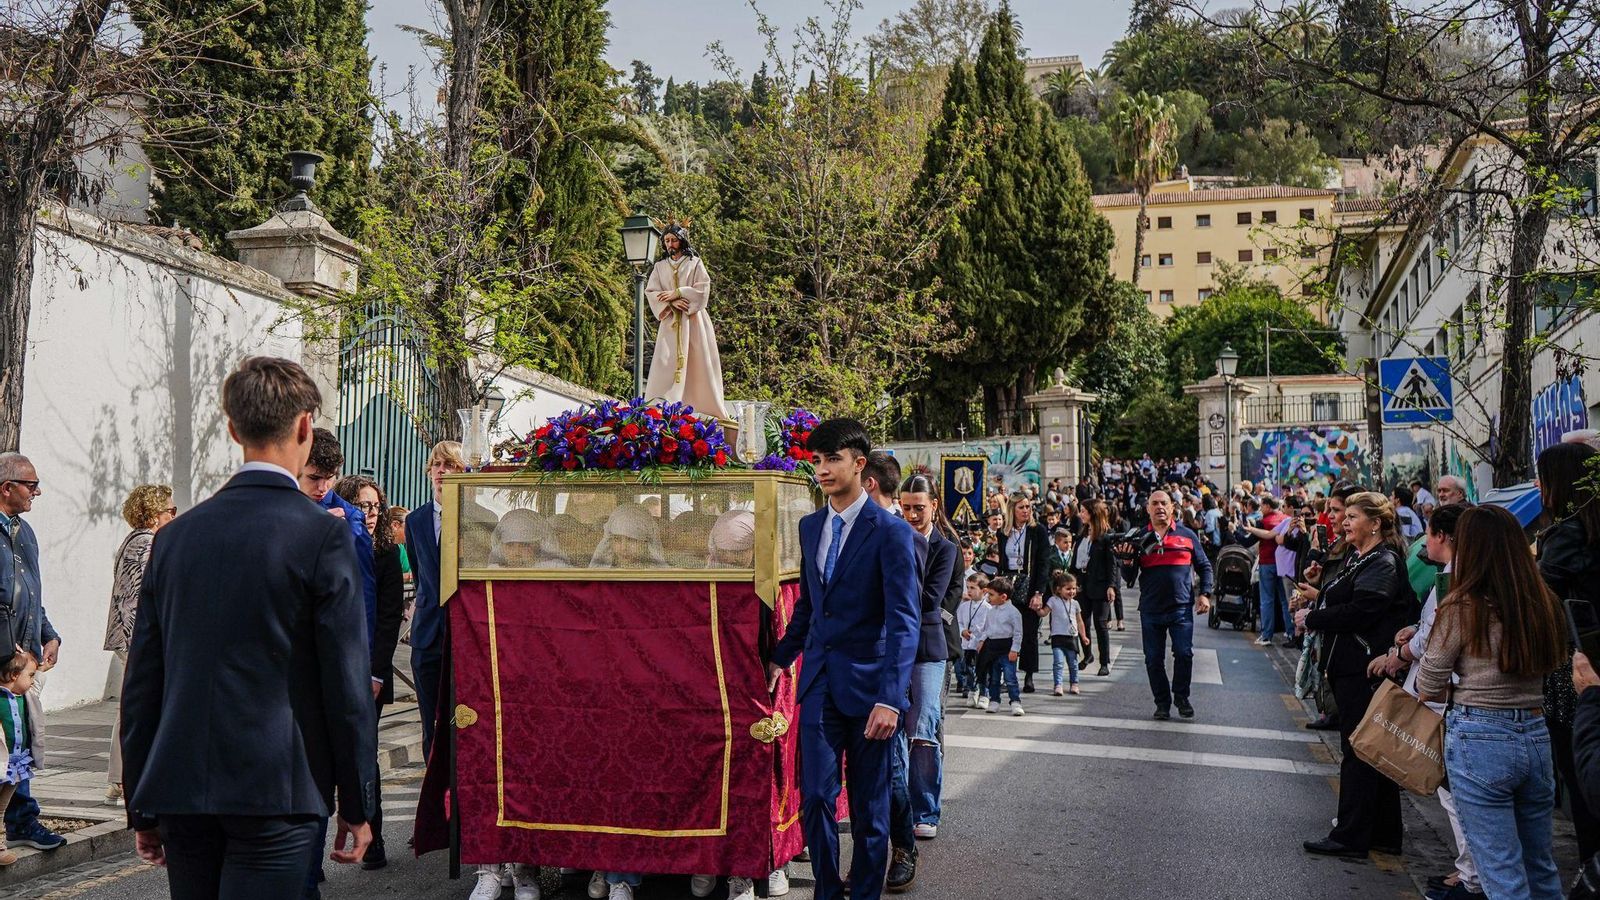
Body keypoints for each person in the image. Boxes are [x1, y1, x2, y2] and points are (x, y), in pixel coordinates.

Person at [120, 356, 376, 899]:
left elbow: (143, 681)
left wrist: (142, 804)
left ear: (234, 429)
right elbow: (346, 686)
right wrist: (355, 804)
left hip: (184, 786)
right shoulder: (323, 537)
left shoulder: (174, 538)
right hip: (278, 789)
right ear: (306, 427)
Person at [766, 419, 918, 900]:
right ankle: (828, 893)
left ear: (859, 465)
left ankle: (867, 893)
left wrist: (891, 700)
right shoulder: (810, 527)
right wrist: (780, 657)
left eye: (832, 459)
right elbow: (811, 605)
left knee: (871, 810)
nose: (823, 469)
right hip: (820, 685)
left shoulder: (891, 533)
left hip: (872, 691)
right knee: (814, 796)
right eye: (816, 460)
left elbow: (903, 621)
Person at [1417, 505, 1567, 898]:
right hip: (1536, 733)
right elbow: (1554, 663)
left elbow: (1428, 684)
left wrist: (1466, 684)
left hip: (1479, 735)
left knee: (1500, 873)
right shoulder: (1542, 602)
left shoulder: (1462, 605)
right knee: (1541, 867)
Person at [1296, 492, 1415, 859]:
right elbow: (1343, 598)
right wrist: (1318, 592)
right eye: (1343, 516)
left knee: (1359, 749)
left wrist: (1313, 617)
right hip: (1352, 666)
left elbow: (1364, 609)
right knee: (1370, 747)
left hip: (1364, 668)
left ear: (1375, 523)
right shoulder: (1359, 557)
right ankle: (1382, 833)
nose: (1344, 523)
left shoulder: (1383, 561)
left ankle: (1351, 835)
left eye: (1352, 517)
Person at [1369, 502, 1478, 900]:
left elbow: (1434, 642)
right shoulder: (1451, 578)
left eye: (1430, 534)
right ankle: (1469, 871)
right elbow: (1429, 629)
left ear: (1445, 538)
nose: (1424, 543)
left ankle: (1471, 876)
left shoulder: (1456, 582)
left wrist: (1396, 656)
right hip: (1453, 695)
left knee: (1455, 791)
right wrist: (1414, 630)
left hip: (1446, 695)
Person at [333, 476, 409, 874]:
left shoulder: (386, 554)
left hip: (368, 674)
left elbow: (387, 620)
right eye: (364, 505)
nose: (373, 512)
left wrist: (378, 673)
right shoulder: (331, 546)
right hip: (329, 670)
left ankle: (373, 838)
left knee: (364, 756)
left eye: (376, 505)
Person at [1535, 441, 1600, 865]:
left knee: (1582, 776)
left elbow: (1539, 601)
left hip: (1575, 669)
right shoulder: (1590, 529)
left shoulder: (1566, 535)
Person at [0, 452, 63, 852]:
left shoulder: (25, 533)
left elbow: (31, 591)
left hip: (22, 664)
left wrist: (48, 633)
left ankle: (22, 820)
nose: (36, 491)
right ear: (6, 488)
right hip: (4, 660)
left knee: (20, 742)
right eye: (30, 484)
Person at [103, 484, 176, 807]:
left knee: (132, 705)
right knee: (136, 706)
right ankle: (121, 778)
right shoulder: (146, 543)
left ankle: (119, 779)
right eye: (170, 511)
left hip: (131, 635)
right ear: (154, 513)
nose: (174, 515)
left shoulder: (135, 541)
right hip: (137, 637)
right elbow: (142, 596)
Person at [1117, 491, 1213, 720]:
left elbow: (1204, 566)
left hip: (1180, 607)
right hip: (1150, 608)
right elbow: (1129, 578)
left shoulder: (1187, 535)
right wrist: (1126, 561)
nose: (1159, 507)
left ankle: (1181, 695)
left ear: (1172, 508)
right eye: (1155, 504)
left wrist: (1205, 594)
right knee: (1153, 659)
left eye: (1164, 503)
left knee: (1184, 653)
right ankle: (1162, 703)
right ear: (1147, 509)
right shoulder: (1138, 536)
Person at [405, 441, 466, 761]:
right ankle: (430, 795)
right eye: (437, 465)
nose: (442, 471)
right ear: (429, 471)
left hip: (465, 636)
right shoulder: (414, 521)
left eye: (451, 465)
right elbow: (419, 576)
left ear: (463, 471)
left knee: (463, 723)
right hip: (427, 636)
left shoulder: (476, 518)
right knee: (430, 723)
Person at [644, 223, 728, 421]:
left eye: (673, 240)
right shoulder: (659, 267)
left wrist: (680, 292)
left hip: (694, 321)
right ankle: (663, 404)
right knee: (666, 360)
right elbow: (651, 292)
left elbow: (703, 288)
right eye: (666, 241)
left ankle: (702, 404)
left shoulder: (695, 263)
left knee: (699, 361)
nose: (670, 244)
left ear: (681, 240)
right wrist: (673, 302)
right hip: (671, 322)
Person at [1000, 494, 1050, 693]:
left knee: (1029, 632)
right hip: (1009, 582)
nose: (1025, 510)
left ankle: (1029, 675)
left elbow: (1044, 563)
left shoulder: (1038, 531)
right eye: (1021, 507)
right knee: (1005, 630)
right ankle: (1006, 674)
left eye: (1028, 507)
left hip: (1029, 583)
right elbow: (1002, 561)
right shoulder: (1004, 532)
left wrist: (1039, 592)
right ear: (1012, 509)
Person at [0, 648, 40, 867]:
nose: (33, 681)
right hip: (1, 764)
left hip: (17, 764)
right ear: (14, 676)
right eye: (30, 676)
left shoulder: (26, 696)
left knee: (1, 809)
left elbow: (36, 676)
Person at [1073, 500, 1118, 678]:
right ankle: (1088, 654)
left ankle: (1104, 662)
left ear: (1093, 513)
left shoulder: (1106, 536)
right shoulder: (1082, 534)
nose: (1081, 514)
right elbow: (1075, 560)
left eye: (1083, 511)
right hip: (1081, 583)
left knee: (1100, 624)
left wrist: (1111, 586)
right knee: (1082, 622)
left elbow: (1112, 564)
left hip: (1100, 585)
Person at [975, 577, 1025, 715]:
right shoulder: (991, 611)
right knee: (994, 676)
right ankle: (994, 700)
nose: (988, 597)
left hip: (1007, 648)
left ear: (1003, 597)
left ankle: (1015, 702)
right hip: (992, 647)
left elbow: (1018, 633)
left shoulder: (1013, 613)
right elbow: (987, 629)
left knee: (1010, 677)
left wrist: (1015, 649)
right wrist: (982, 640)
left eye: (991, 594)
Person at [1244, 497, 1290, 647]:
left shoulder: (1263, 522)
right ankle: (1290, 632)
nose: (1260, 509)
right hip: (1284, 564)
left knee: (1267, 600)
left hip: (1267, 563)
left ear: (1267, 506)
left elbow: (1248, 541)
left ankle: (1266, 635)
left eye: (1262, 505)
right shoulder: (1286, 519)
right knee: (1285, 600)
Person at [1044, 572, 1086, 696]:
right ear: (1058, 589)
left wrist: (1083, 636)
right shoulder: (1053, 600)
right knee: (1058, 662)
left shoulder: (1075, 604)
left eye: (1074, 588)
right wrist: (1038, 610)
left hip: (1072, 638)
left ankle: (1074, 683)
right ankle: (1058, 684)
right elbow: (1044, 612)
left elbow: (1079, 621)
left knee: (1073, 663)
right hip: (1057, 637)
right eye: (1068, 589)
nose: (1071, 591)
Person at [957, 573, 988, 706]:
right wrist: (962, 631)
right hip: (967, 645)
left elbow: (989, 627)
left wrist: (982, 639)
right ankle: (972, 690)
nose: (969, 591)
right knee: (968, 669)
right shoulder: (963, 606)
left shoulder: (988, 608)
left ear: (983, 590)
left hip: (981, 644)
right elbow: (958, 622)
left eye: (973, 588)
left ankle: (984, 694)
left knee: (982, 669)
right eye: (968, 587)